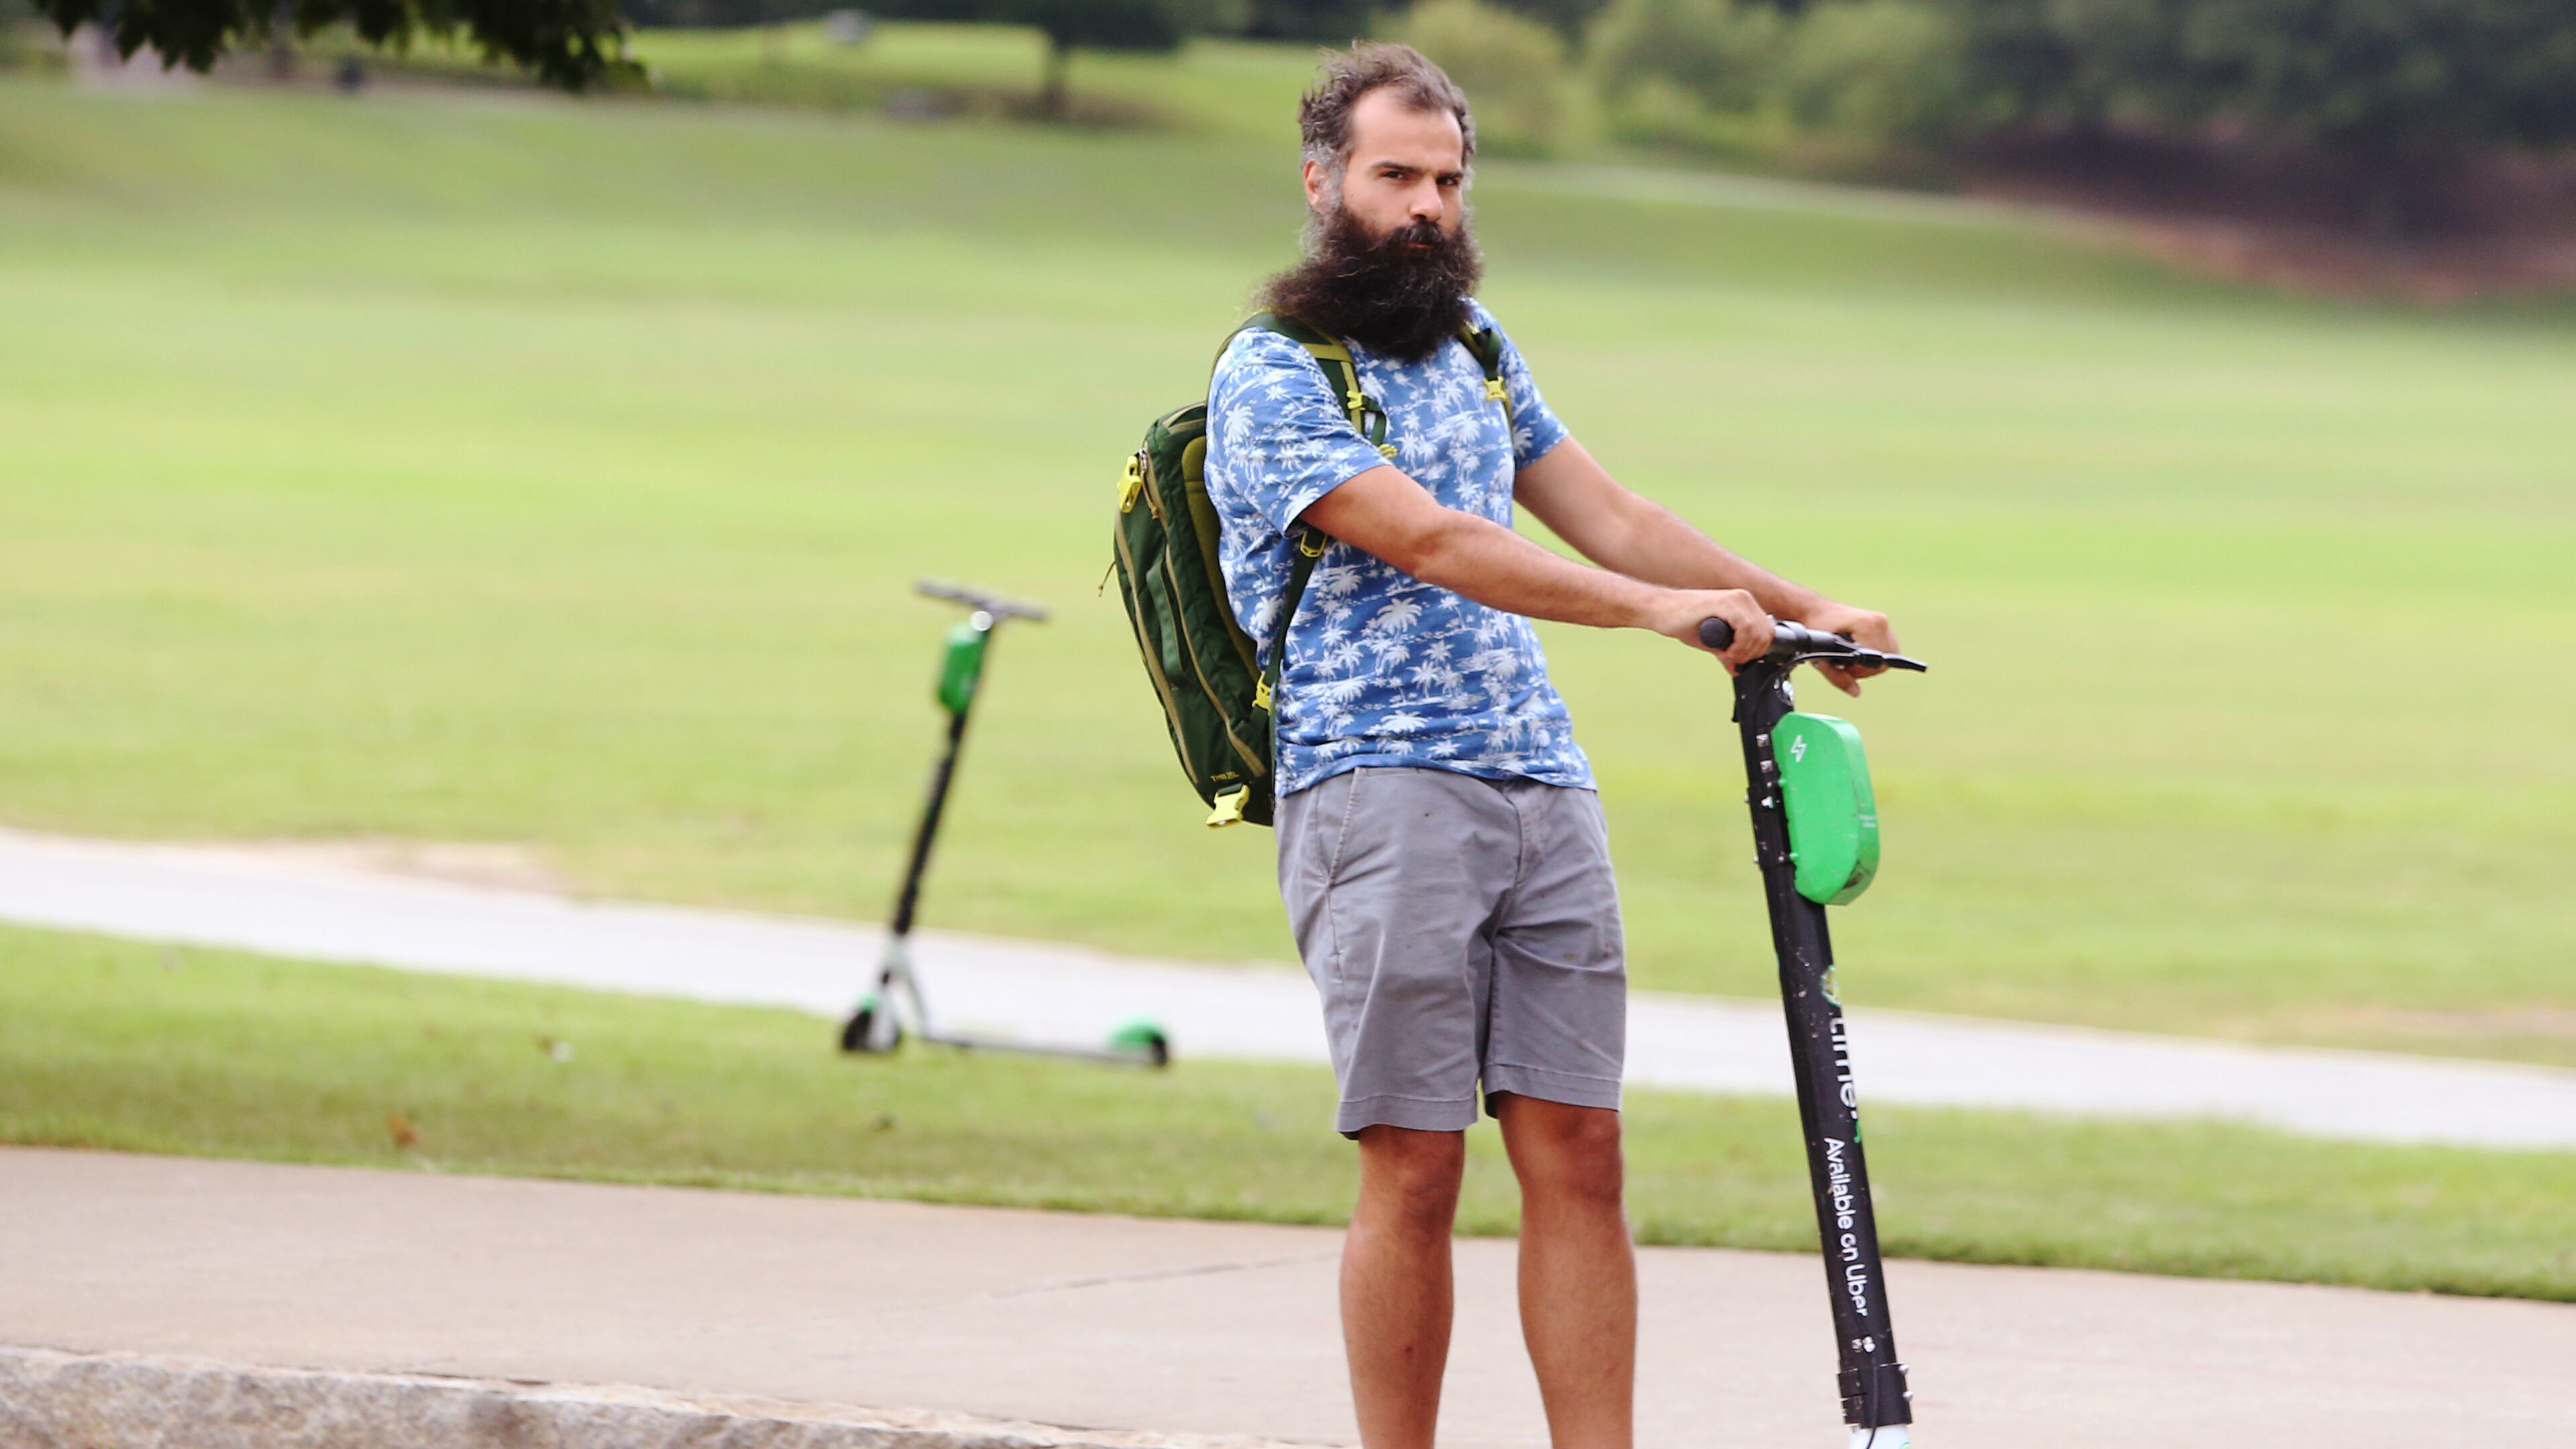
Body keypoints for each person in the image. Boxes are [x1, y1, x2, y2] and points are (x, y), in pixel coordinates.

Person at [1201, 43, 1904, 1449]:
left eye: (1447, 179)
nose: (1427, 208)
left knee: (1581, 1149)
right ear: (1324, 179)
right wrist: (1657, 615)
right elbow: (1440, 541)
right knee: (1414, 1164)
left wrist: (1797, 604)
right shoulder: (1273, 376)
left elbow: (1613, 511)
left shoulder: (1475, 346)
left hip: (1540, 784)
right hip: (1380, 788)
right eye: (1396, 175)